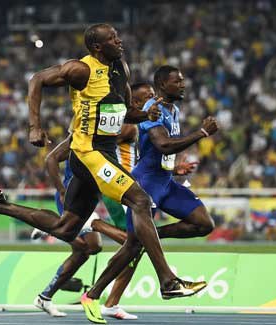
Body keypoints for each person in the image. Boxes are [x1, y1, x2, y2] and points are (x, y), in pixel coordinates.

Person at [0, 24, 206, 324]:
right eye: (112, 39)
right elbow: (37, 79)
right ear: (96, 47)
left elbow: (123, 112)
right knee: (140, 201)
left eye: (118, 36)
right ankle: (168, 281)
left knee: (66, 228)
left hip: (102, 152)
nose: (119, 41)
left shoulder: (120, 68)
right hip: (88, 152)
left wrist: (144, 115)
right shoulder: (81, 70)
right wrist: (34, 126)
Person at [82, 65, 219, 322]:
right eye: (177, 81)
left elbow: (163, 154)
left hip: (165, 183)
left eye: (182, 80)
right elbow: (163, 145)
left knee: (203, 223)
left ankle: (151, 239)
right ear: (162, 85)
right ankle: (92, 295)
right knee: (132, 246)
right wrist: (201, 134)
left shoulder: (173, 109)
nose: (183, 84)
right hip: (145, 185)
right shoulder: (150, 111)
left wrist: (176, 168)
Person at [33, 82, 156, 320]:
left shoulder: (110, 131)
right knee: (121, 243)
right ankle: (61, 225)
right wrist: (60, 190)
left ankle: (44, 296)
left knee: (89, 248)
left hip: (91, 194)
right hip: (74, 196)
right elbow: (51, 159)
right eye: (146, 97)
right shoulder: (95, 134)